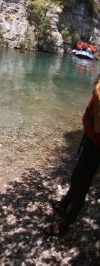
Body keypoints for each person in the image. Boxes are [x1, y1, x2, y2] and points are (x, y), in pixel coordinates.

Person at [46, 74, 100, 236]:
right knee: (77, 176)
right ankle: (63, 205)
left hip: (96, 147)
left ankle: (64, 226)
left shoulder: (99, 92)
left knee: (82, 185)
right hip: (91, 142)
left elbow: (98, 128)